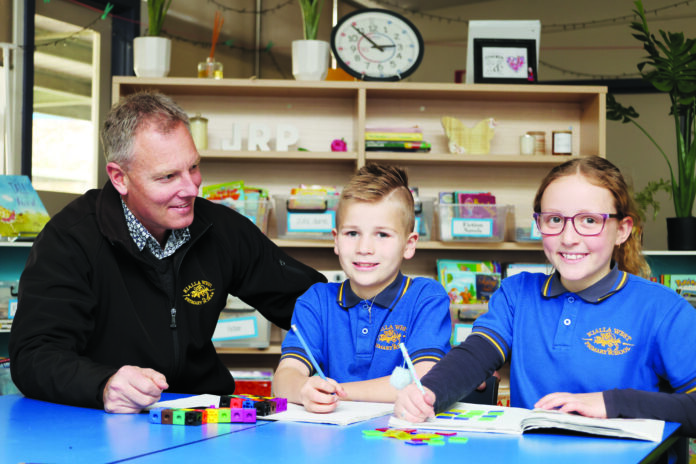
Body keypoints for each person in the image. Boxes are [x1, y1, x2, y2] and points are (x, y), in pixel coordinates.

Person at [9, 91, 325, 413]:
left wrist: (368, 288)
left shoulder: (221, 228)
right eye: (168, 176)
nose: (190, 188)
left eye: (194, 167)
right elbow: (34, 355)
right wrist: (102, 384)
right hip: (106, 421)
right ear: (120, 178)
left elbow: (314, 303)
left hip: (205, 416)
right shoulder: (70, 239)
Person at [394, 156, 696, 436]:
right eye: (554, 220)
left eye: (589, 220)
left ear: (622, 229)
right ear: (538, 223)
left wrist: (612, 403)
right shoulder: (516, 293)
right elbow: (476, 355)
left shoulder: (664, 309)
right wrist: (429, 390)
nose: (568, 237)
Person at [272, 164, 452, 412]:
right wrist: (303, 390)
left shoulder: (427, 297)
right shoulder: (315, 300)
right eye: (352, 233)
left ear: (409, 244)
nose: (364, 247)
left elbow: (422, 379)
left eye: (382, 235)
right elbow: (284, 377)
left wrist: (338, 393)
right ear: (336, 239)